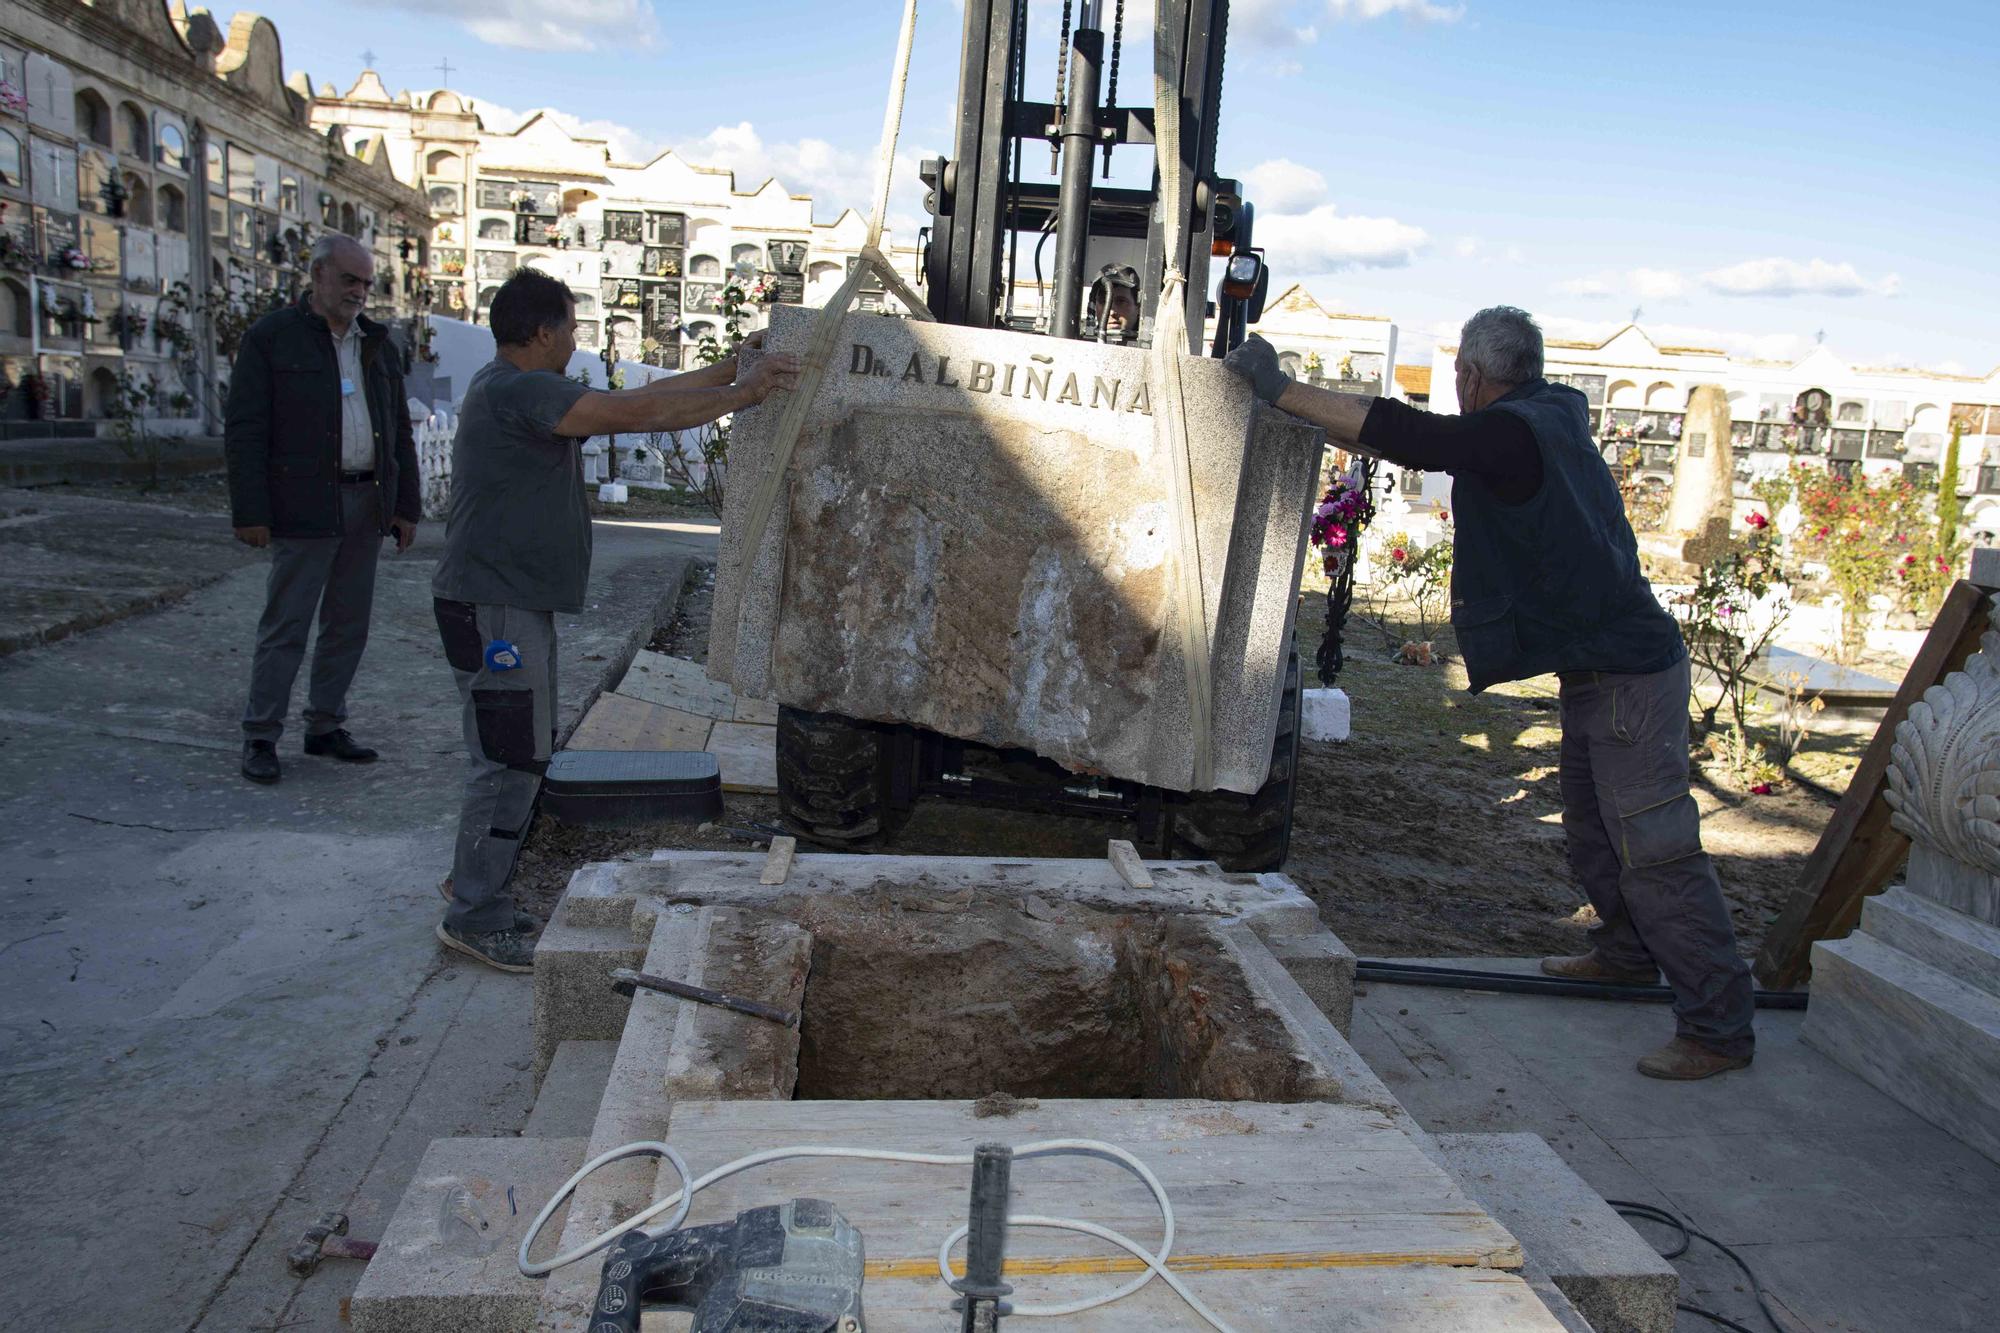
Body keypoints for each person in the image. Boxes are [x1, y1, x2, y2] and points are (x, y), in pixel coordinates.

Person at [1225, 306, 1756, 1080]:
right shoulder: (1540, 418)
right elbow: (1397, 439)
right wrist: (1295, 409)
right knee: (1593, 828)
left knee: (1656, 848)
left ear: (1472, 375)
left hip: (1629, 674)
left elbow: (1424, 438)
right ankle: (1627, 952)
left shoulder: (1514, 431)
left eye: (1458, 379)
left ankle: (1718, 1024)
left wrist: (1277, 386)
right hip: (1601, 667)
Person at [429, 268, 799, 972]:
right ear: (543, 332)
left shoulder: (508, 387)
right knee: (507, 760)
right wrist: (745, 394)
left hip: (503, 601)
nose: (575, 341)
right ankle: (474, 911)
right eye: (570, 328)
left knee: (514, 751)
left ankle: (478, 885)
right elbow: (631, 416)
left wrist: (731, 368)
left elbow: (630, 399)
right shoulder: (521, 388)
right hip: (495, 607)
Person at [226, 234, 419, 785]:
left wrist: (405, 506)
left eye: (366, 282)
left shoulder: (377, 344)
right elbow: (245, 429)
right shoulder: (272, 339)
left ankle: (325, 725)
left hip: (366, 500)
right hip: (304, 502)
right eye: (349, 280)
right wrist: (250, 511)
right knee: (286, 625)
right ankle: (261, 734)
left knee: (348, 624)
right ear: (317, 276)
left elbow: (398, 428)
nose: (359, 292)